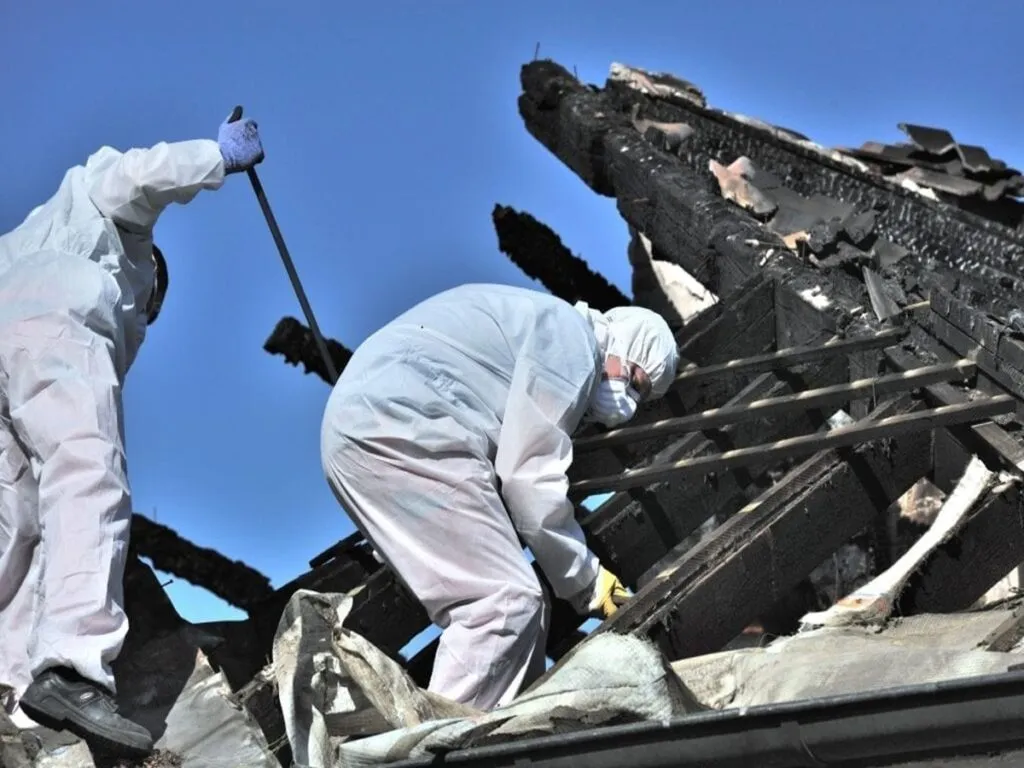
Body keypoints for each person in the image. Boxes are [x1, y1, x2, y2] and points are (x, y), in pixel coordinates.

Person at [0, 113, 266, 755]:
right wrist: (217, 156)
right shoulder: (109, 233)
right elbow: (139, 175)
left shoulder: (24, 241)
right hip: (51, 320)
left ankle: (10, 690)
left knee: (17, 525)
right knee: (88, 471)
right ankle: (71, 665)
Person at [320, 283, 679, 710]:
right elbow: (528, 478)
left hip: (362, 430)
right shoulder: (573, 342)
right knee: (506, 605)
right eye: (635, 380)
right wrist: (586, 581)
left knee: (516, 619)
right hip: (403, 422)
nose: (631, 404)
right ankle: (431, 752)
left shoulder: (538, 323)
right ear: (623, 341)